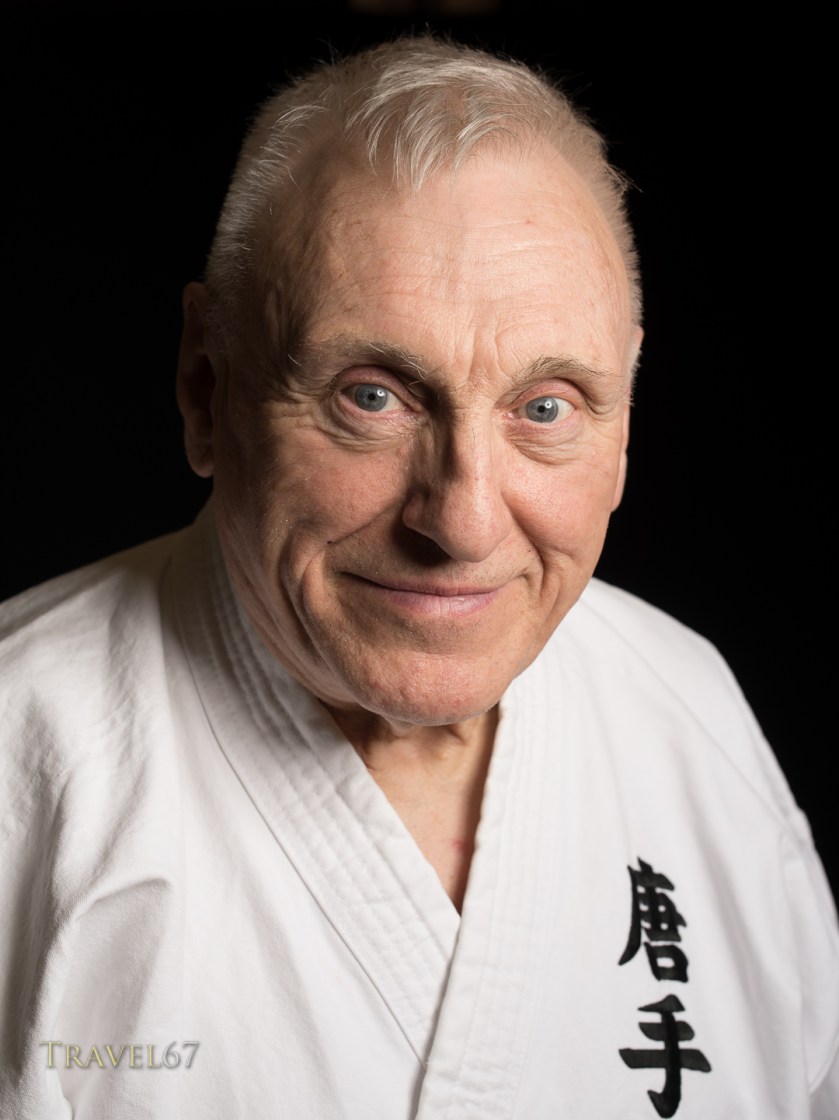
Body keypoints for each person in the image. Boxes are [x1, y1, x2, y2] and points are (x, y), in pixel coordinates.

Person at [1, 32, 836, 1120]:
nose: (462, 519)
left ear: (623, 425)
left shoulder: (684, 705)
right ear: (206, 386)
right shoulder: (27, 767)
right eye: (373, 396)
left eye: (545, 409)